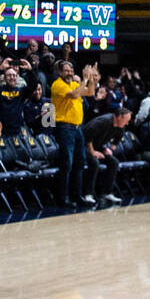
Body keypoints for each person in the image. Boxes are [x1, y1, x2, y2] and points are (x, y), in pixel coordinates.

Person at [50, 59, 98, 209]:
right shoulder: (57, 85)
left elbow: (90, 92)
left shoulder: (74, 84)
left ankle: (77, 196)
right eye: (66, 71)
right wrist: (84, 79)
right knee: (67, 164)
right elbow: (74, 95)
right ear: (60, 72)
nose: (69, 73)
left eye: (71, 70)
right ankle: (62, 198)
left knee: (79, 163)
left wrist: (92, 79)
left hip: (77, 128)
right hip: (64, 128)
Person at [83, 106, 131, 206]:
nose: (127, 123)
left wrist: (108, 148)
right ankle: (88, 194)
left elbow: (117, 140)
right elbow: (87, 135)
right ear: (119, 117)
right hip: (84, 146)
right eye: (126, 120)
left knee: (114, 162)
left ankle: (107, 192)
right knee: (94, 163)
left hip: (98, 146)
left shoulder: (120, 127)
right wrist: (92, 152)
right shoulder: (103, 121)